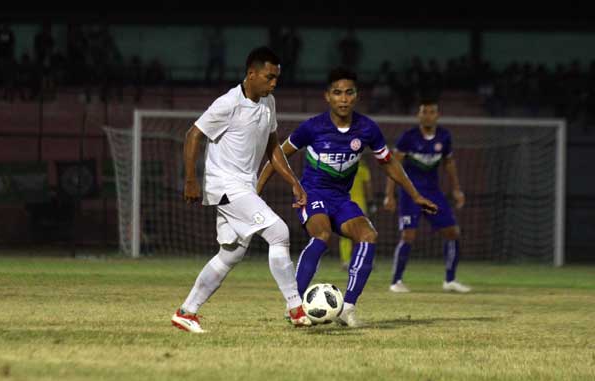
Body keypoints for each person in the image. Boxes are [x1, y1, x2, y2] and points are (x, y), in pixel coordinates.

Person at [257, 67, 438, 327]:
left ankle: (347, 308)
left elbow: (388, 163)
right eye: (337, 93)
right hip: (313, 195)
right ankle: (294, 305)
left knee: (369, 236)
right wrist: (256, 192)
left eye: (348, 93)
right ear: (327, 97)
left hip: (342, 199)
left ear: (356, 96)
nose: (343, 98)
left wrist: (415, 194)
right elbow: (277, 156)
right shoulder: (312, 127)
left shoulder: (367, 129)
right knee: (322, 235)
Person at [172, 46, 312, 333]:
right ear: (251, 73)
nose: (274, 83)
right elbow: (193, 134)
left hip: (243, 186)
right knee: (279, 232)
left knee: (232, 253)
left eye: (276, 78)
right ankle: (295, 307)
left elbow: (274, 148)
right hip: (225, 186)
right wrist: (190, 179)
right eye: (269, 77)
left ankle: (186, 312)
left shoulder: (268, 102)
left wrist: (294, 182)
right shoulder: (228, 103)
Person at [383, 98, 471, 294]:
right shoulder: (408, 137)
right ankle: (396, 281)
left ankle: (450, 280)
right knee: (408, 235)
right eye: (424, 112)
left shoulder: (444, 137)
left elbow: (449, 163)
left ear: (437, 115)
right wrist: (389, 194)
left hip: (433, 194)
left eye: (432, 112)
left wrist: (457, 189)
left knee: (452, 232)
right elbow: (393, 165)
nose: (428, 115)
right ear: (419, 115)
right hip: (410, 194)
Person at [339, 156, 374, 270]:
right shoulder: (362, 169)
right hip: (359, 205)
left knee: (345, 234)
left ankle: (346, 261)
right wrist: (371, 203)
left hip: (343, 204)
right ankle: (363, 260)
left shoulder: (340, 168)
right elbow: (368, 187)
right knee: (364, 233)